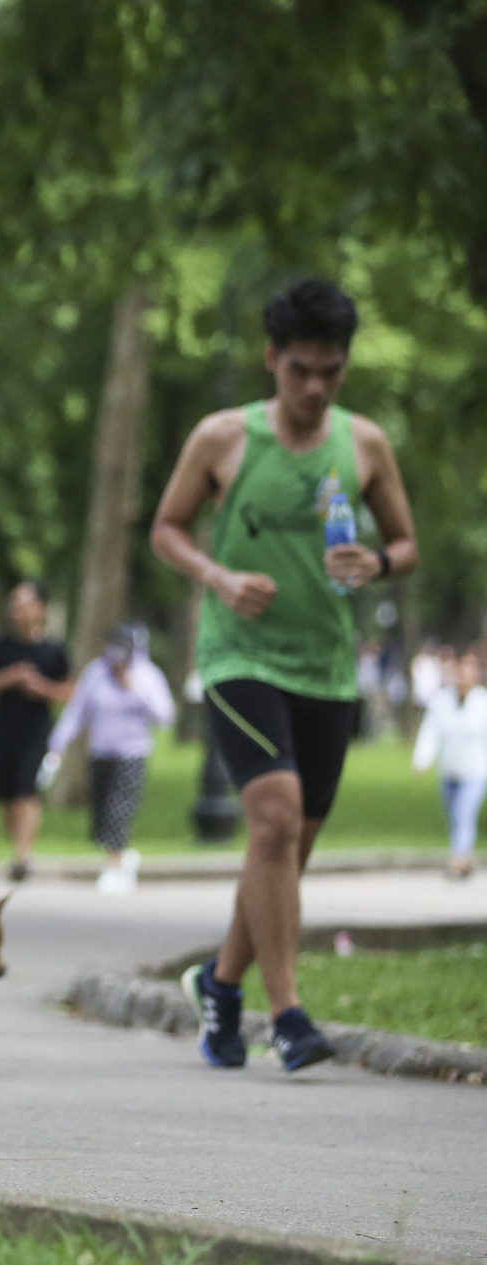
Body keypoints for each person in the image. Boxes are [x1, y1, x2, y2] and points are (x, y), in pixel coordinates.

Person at [151, 277, 419, 1072]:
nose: (314, 387)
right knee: (271, 821)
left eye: (330, 372)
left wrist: (376, 561)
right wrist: (218, 577)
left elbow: (408, 547)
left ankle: (220, 984)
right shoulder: (222, 437)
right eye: (299, 369)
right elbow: (167, 528)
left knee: (286, 849)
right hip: (239, 654)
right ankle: (289, 1014)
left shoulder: (364, 443)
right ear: (271, 359)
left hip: (328, 667)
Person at [42, 624, 176, 894]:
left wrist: (135, 689)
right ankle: (122, 856)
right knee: (102, 812)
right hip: (101, 752)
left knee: (119, 807)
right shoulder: (96, 673)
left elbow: (165, 716)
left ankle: (114, 867)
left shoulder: (147, 675)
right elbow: (77, 711)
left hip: (133, 753)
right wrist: (58, 743)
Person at [0, 582, 73, 881]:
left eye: (24, 605)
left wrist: (43, 689)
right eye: (14, 605)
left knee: (28, 791)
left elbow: (71, 690)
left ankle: (22, 856)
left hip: (37, 729)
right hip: (3, 727)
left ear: (40, 609)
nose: (17, 611)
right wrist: (10, 678)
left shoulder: (54, 651)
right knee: (8, 796)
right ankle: (17, 848)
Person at [412, 650, 487, 880]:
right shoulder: (441, 702)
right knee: (455, 816)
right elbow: (430, 733)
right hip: (449, 770)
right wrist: (421, 760)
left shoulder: (482, 703)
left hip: (475, 771)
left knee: (465, 813)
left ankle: (458, 858)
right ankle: (464, 855)